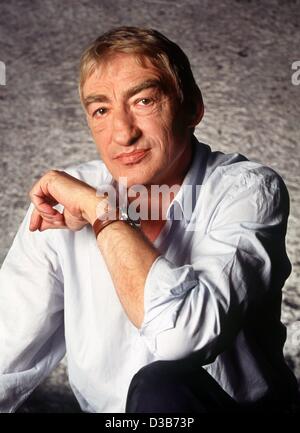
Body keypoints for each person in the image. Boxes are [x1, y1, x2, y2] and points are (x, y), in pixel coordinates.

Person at [0, 26, 299, 414]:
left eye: (143, 101)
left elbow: (181, 338)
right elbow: (6, 350)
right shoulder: (68, 196)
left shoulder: (249, 190)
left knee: (161, 384)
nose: (122, 133)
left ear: (192, 107)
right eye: (101, 110)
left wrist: (102, 214)